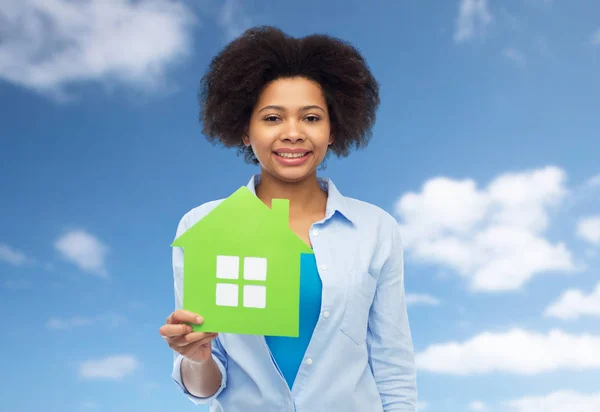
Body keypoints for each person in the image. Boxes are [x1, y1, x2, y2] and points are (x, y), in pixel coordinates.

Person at [159, 26, 417, 412]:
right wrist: (196, 357)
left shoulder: (376, 229)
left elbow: (392, 362)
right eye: (272, 118)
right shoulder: (204, 226)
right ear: (245, 130)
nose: (293, 133)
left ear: (333, 129)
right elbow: (205, 388)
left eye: (311, 118)